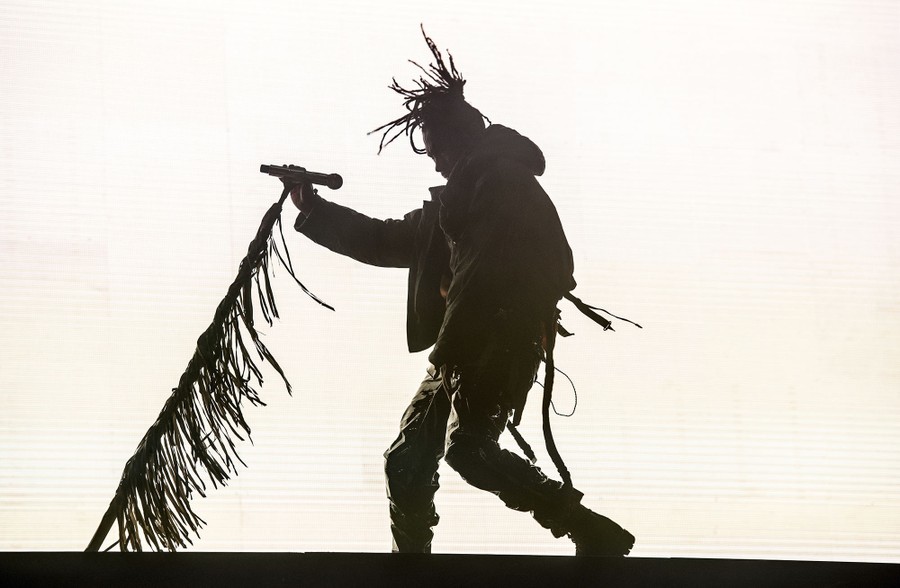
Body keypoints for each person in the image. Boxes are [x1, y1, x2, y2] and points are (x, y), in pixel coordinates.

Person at [291, 28, 634, 556]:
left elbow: (552, 264)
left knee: (469, 450)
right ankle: (411, 567)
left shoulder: (507, 184)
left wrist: (506, 319)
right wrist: (312, 208)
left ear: (461, 140)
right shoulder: (449, 211)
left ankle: (586, 527)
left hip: (498, 343)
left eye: (438, 150)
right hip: (457, 349)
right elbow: (383, 239)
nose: (434, 162)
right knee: (407, 461)